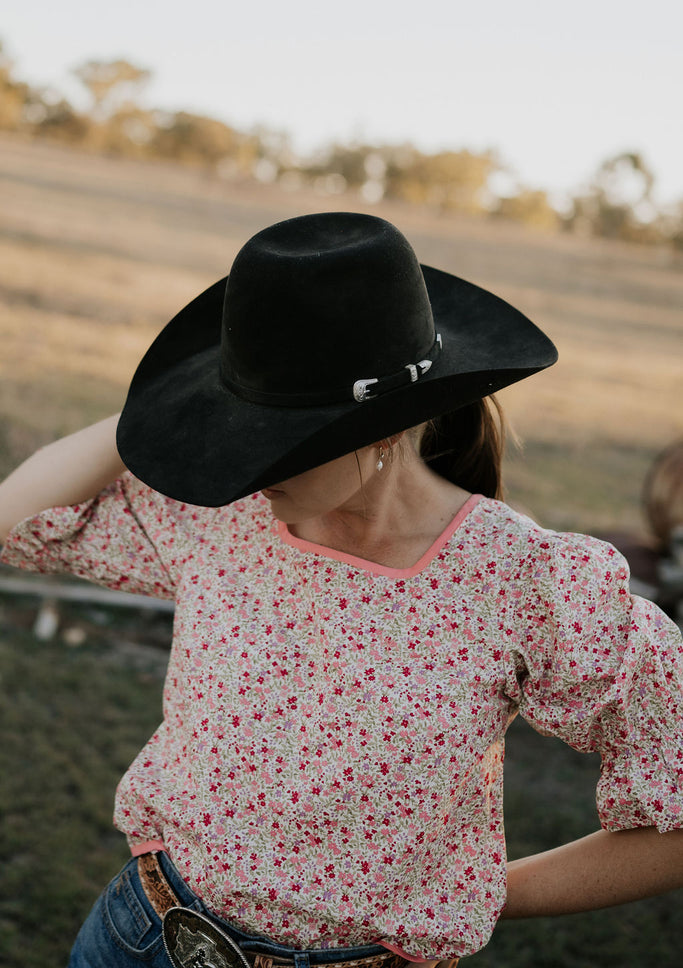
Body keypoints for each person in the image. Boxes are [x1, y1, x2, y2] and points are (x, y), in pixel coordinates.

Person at [1, 212, 682, 967]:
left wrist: (477, 891)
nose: (240, 464)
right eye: (231, 424)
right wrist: (168, 407)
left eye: (271, 438)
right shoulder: (221, 518)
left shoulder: (533, 583)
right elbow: (14, 520)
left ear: (383, 427)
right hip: (137, 933)